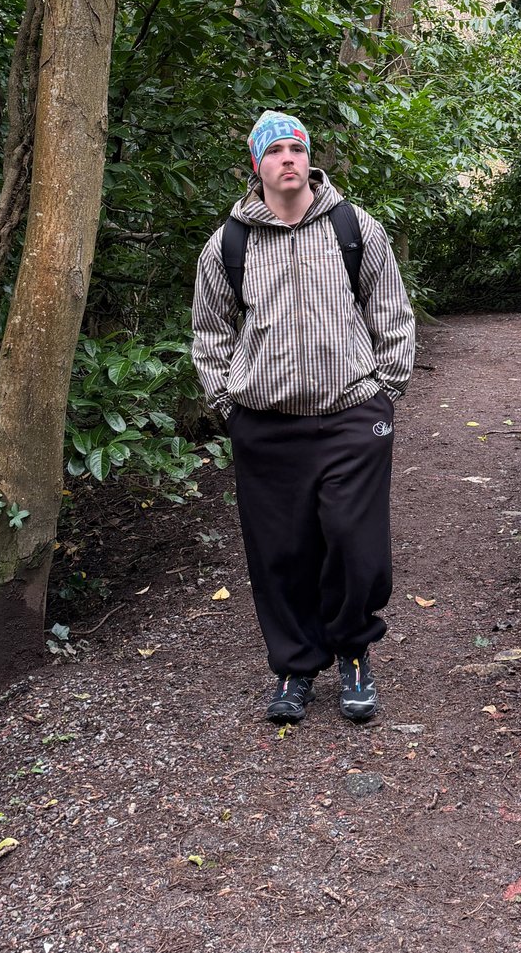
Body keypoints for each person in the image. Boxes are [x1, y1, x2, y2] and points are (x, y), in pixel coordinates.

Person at [191, 110, 415, 724]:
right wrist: (225, 400)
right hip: (265, 426)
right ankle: (295, 667)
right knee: (280, 551)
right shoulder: (229, 243)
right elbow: (209, 331)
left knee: (354, 543)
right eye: (276, 151)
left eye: (297, 148)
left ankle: (354, 653)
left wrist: (385, 389)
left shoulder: (352, 226)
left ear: (309, 160)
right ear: (257, 165)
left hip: (350, 415)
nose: (288, 158)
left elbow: (391, 310)